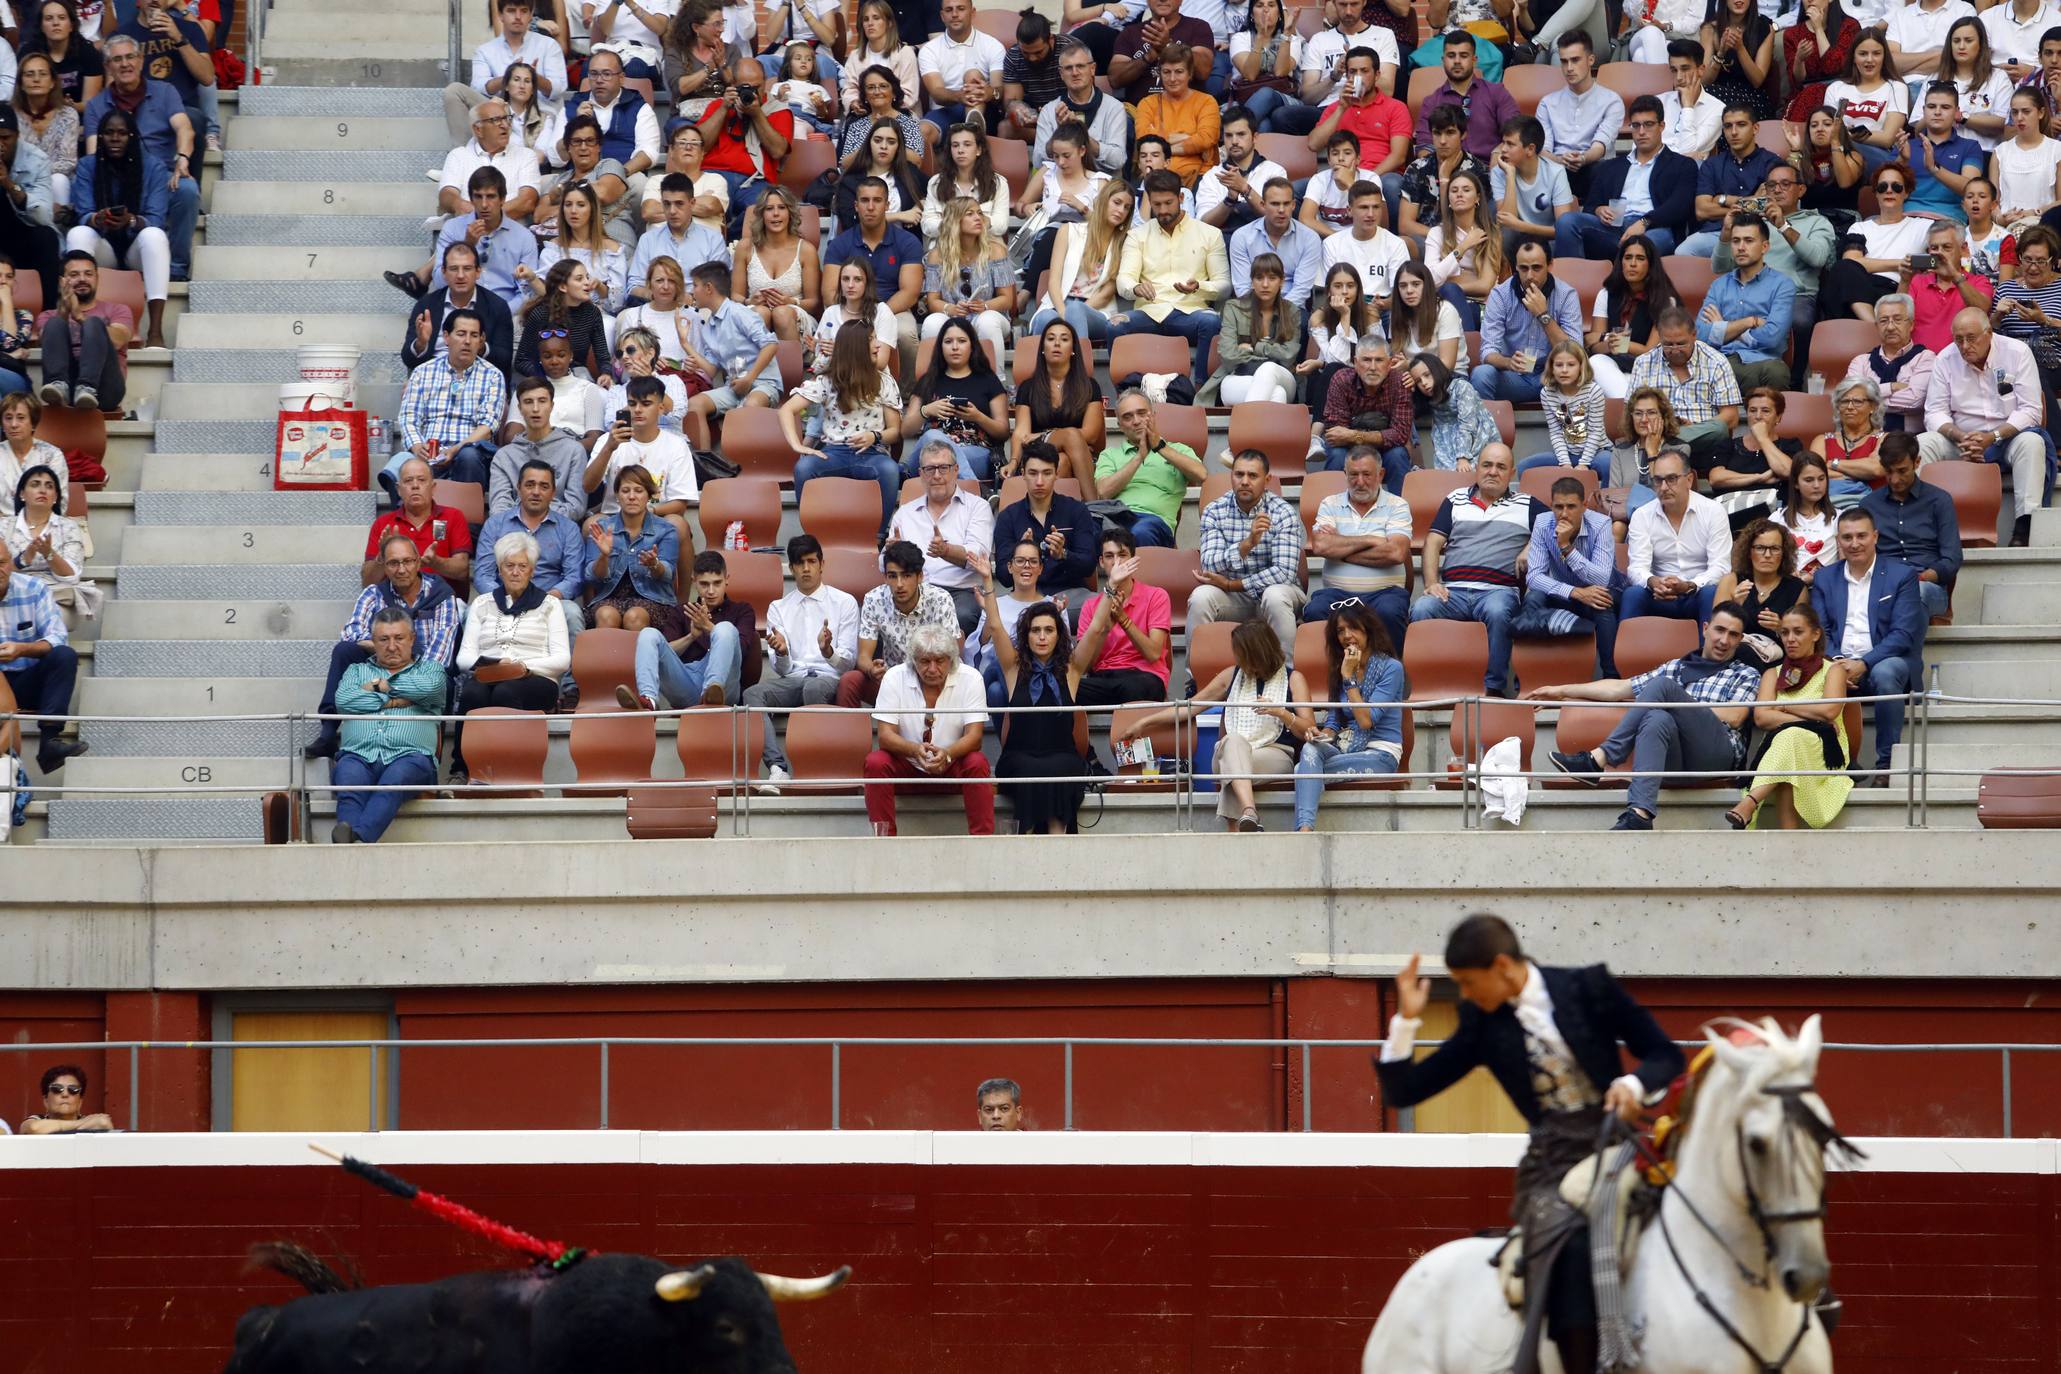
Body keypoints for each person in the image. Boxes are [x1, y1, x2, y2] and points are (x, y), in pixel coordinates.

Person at [1376, 915, 1687, 1374]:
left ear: (1502, 965)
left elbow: (1666, 1054)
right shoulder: (1481, 1024)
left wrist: (1634, 1085)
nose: (1464, 994)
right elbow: (1405, 1091)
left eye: (1467, 982)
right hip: (1552, 1165)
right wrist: (1406, 1020)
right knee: (1570, 1249)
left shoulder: (1587, 988)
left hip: (1620, 1145)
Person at [1542, 602, 1761, 827]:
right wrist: (1560, 690)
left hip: (1716, 756)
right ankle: (1639, 814)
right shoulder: (1676, 667)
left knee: (1663, 689)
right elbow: (1619, 689)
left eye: (1733, 635)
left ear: (1740, 639)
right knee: (1657, 718)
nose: (1724, 640)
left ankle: (1599, 759)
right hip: (1674, 760)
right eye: (1720, 630)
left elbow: (1735, 716)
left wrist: (1678, 704)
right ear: (1705, 629)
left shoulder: (1745, 673)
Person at [1122, 619, 1315, 832]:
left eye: (1243, 655)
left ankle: (1236, 832)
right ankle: (1249, 811)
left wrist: (1282, 713)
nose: (1239, 661)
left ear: (1259, 653)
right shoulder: (1232, 675)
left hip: (1274, 756)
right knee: (1232, 744)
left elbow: (1309, 731)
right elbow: (1189, 707)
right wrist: (1144, 721)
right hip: (1231, 751)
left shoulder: (1294, 679)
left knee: (1231, 769)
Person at [303, 534, 463, 761]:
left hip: (423, 675)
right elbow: (350, 633)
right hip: (378, 667)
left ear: (418, 562)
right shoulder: (373, 593)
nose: (401, 569)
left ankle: (430, 752)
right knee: (344, 651)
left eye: (407, 561)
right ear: (384, 566)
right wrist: (383, 650)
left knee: (441, 681)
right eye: (393, 563)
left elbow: (439, 656)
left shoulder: (442, 595)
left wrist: (384, 683)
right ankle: (328, 733)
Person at [1410, 446, 1539, 697]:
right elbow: (1433, 542)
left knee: (1498, 611)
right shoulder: (1455, 499)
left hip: (1498, 592)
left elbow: (1559, 525)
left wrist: (1530, 546)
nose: (1492, 472)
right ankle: (1433, 685)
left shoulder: (1527, 503)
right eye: (1487, 465)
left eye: (1501, 467)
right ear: (1477, 468)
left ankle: (1492, 688)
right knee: (1422, 608)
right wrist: (1431, 582)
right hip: (1452, 592)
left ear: (1512, 472)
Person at [1810, 506, 1925, 780]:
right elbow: (1820, 630)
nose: (1854, 543)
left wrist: (1863, 663)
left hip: (1882, 661)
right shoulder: (1824, 578)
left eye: (1861, 536)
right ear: (1838, 540)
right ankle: (1834, 766)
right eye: (1847, 537)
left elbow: (1903, 634)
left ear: (1875, 536)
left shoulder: (1901, 575)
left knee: (1887, 674)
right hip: (1837, 662)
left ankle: (1885, 764)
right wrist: (1839, 665)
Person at [1916, 306, 2047, 545]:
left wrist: (1993, 437)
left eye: (1971, 338)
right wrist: (1959, 436)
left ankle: (2024, 526)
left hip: (2006, 437)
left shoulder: (2017, 352)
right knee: (1923, 443)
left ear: (1989, 333)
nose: (1965, 346)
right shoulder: (1945, 358)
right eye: (1958, 340)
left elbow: (2031, 410)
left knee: (2032, 442)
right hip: (1961, 440)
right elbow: (1934, 412)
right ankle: (1919, 524)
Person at [450, 530, 573, 783]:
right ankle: (461, 770)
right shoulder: (482, 604)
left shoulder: (550, 605)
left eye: (522, 566)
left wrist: (520, 666)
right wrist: (496, 665)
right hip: (488, 676)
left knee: (506, 692)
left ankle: (508, 769)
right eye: (509, 566)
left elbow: (562, 660)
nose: (515, 572)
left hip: (537, 679)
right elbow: (464, 658)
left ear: (532, 570)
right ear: (499, 569)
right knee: (472, 693)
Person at [971, 580, 1090, 833]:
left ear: (1060, 635)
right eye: (1035, 630)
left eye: (1049, 630)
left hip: (1062, 755)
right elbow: (995, 626)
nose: (1042, 636)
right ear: (1026, 635)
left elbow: (1098, 630)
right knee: (1032, 769)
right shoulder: (1013, 668)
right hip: (1019, 757)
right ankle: (1028, 838)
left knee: (1061, 768)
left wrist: (1110, 590)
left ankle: (1058, 840)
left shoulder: (1071, 669)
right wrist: (988, 583)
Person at [1726, 603, 1859, 829]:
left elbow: (1829, 711)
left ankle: (1750, 802)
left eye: (1798, 632)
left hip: (1825, 748)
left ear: (1815, 634)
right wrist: (1812, 721)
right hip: (1788, 745)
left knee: (1790, 738)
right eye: (1785, 632)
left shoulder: (1833, 670)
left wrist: (1784, 708)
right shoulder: (1772, 673)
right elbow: (1762, 718)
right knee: (1791, 740)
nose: (1790, 639)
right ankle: (1789, 832)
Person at [744, 534, 859, 791]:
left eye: (811, 561)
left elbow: (848, 663)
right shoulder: (778, 607)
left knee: (814, 687)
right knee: (752, 694)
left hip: (828, 678)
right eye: (799, 563)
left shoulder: (844, 602)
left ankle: (814, 765)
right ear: (792, 567)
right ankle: (777, 768)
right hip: (793, 680)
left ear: (822, 564)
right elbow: (781, 669)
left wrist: (828, 651)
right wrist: (783, 653)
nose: (805, 569)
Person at [81, 34, 197, 284]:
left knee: (187, 189)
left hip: (161, 175)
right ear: (108, 67)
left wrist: (183, 158)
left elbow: (185, 128)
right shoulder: (96, 105)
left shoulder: (165, 92)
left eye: (130, 56)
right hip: (115, 177)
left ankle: (176, 266)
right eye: (117, 59)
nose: (125, 64)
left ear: (141, 60)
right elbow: (93, 152)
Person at [329, 607, 448, 845]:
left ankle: (358, 838)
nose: (392, 646)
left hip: (412, 757)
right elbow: (344, 701)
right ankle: (348, 839)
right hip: (359, 754)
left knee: (395, 780)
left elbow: (428, 689)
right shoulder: (356, 670)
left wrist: (378, 687)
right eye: (384, 639)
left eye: (399, 638)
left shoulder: (431, 670)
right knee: (348, 783)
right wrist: (396, 700)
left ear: (412, 639)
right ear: (373, 641)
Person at [1289, 597, 1407, 838]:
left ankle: (1303, 831)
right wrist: (1323, 735)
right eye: (1340, 630)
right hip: (1346, 748)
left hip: (1381, 754)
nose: (1346, 635)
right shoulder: (1341, 667)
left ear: (1368, 630)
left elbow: (1366, 721)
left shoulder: (1391, 668)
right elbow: (1335, 721)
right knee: (1310, 751)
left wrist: (1349, 677)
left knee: (1304, 768)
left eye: (1353, 628)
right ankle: (1305, 830)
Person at [863, 622, 994, 836]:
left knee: (977, 763)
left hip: (951, 767)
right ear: (913, 661)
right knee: (876, 762)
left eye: (939, 661)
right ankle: (884, 841)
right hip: (907, 767)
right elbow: (885, 737)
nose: (932, 669)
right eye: (925, 661)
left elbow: (975, 737)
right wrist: (915, 750)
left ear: (951, 660)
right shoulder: (895, 676)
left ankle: (983, 841)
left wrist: (948, 754)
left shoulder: (971, 678)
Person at [783, 318, 902, 543]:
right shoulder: (828, 381)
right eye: (871, 339)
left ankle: (878, 537)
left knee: (888, 470)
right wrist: (797, 446)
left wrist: (874, 436)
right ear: (856, 347)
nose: (878, 344)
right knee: (803, 469)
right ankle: (813, 538)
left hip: (871, 452)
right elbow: (787, 410)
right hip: (834, 452)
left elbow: (895, 431)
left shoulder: (884, 381)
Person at [1110, 170, 1230, 383]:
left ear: (1181, 198)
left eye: (1168, 203)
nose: (1163, 210)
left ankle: (1201, 391)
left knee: (1211, 322)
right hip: (1150, 311)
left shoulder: (1210, 234)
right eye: (1157, 204)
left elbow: (1224, 287)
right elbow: (1124, 280)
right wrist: (1136, 288)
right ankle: (1126, 392)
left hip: (1191, 313)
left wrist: (1198, 287)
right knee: (1115, 325)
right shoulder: (1138, 235)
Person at [380, 308, 504, 503]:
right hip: (427, 452)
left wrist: (455, 449)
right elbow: (408, 417)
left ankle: (467, 528)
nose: (467, 341)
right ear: (446, 337)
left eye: (474, 335)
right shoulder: (423, 372)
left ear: (481, 341)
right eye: (461, 334)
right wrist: (417, 446)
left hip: (467, 452)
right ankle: (410, 525)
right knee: (398, 467)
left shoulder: (493, 375)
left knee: (469, 456)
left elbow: (488, 427)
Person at [1192, 448, 1308, 657]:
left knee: (1274, 596)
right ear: (1232, 476)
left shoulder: (1282, 512)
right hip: (1234, 599)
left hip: (1277, 594)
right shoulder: (1214, 510)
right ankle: (1196, 680)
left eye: (1252, 475)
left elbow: (1284, 573)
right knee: (1201, 597)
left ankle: (1286, 675)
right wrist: (1247, 544)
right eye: (1239, 474)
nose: (1244, 481)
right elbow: (1209, 565)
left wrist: (1232, 584)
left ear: (1267, 479)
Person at [475, 454, 585, 672]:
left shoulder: (568, 529)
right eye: (530, 485)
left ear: (553, 493)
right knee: (472, 612)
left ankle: (573, 687)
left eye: (544, 486)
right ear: (518, 488)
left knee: (572, 612)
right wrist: (503, 597)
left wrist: (548, 599)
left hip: (549, 599)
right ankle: (479, 680)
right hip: (503, 597)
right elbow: (483, 575)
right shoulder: (496, 525)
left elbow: (574, 577)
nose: (536, 491)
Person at [1554, 95, 1695, 260]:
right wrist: (1600, 210)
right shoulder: (1611, 167)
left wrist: (1644, 222)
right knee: (1567, 221)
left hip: (1656, 229)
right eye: (1636, 125)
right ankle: (1573, 283)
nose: (1641, 132)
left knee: (1643, 245)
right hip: (1613, 227)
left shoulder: (1681, 165)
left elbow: (1680, 206)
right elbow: (1591, 206)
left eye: (1648, 124)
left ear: (1661, 126)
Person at [616, 548, 756, 710]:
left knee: (725, 629)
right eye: (704, 584)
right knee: (648, 634)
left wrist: (709, 627)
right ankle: (649, 701)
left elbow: (742, 648)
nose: (711, 591)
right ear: (694, 580)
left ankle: (711, 693)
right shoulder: (680, 611)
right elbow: (664, 654)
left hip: (725, 687)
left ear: (727, 580)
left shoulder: (743, 610)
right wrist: (691, 636)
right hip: (685, 682)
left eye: (717, 583)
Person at [1304, 445, 1412, 650]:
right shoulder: (1330, 503)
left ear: (1380, 474)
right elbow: (1320, 545)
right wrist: (1372, 539)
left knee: (1391, 611)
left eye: (1367, 474)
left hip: (1384, 594)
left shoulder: (1397, 505)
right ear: (1345, 474)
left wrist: (1342, 550)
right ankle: (1332, 676)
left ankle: (1389, 674)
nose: (1360, 482)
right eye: (1353, 474)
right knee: (1315, 611)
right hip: (1338, 594)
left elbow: (1396, 552)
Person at [820, 177, 924, 379]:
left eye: (877, 200)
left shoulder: (908, 242)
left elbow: (910, 293)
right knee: (841, 332)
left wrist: (878, 315)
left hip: (894, 309)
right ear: (856, 206)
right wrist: (856, 314)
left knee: (906, 335)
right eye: (865, 201)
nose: (870, 206)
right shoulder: (839, 244)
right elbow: (830, 294)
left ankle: (906, 396)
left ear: (887, 205)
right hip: (848, 307)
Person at [1520, 474, 1621, 677]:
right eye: (1558, 507)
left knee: (1603, 600)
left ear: (1584, 506)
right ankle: (1528, 675)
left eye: (1571, 507)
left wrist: (1566, 547)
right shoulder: (1542, 523)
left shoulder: (1601, 524)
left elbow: (1601, 578)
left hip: (1599, 591)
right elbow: (1534, 577)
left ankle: (1610, 675)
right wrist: (1574, 592)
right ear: (1551, 506)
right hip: (1565, 593)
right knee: (1533, 598)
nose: (1564, 514)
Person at [889, 438, 993, 635]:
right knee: (880, 608)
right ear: (921, 474)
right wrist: (890, 554)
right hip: (914, 589)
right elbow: (883, 565)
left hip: (959, 591)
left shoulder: (977, 507)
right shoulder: (905, 513)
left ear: (956, 470)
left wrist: (946, 551)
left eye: (943, 468)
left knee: (962, 614)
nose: (936, 475)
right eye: (930, 469)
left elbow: (978, 557)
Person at [1861, 434, 1963, 622]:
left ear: (1917, 462)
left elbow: (1952, 558)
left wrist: (1922, 578)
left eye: (1902, 471)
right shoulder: (1869, 505)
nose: (1894, 479)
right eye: (1888, 472)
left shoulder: (1939, 501)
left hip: (1927, 585)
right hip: (1884, 584)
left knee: (1913, 594)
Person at [0, 544, 81, 776]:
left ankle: (49, 743)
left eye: (2, 563)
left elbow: (57, 637)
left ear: (10, 563)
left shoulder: (33, 588)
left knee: (64, 655)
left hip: (27, 679)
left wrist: (22, 649)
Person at [1623, 450, 1730, 625]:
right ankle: (1622, 652)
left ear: (1689, 480)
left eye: (1671, 479)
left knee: (1711, 593)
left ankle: (1706, 653)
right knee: (1633, 594)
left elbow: (1721, 567)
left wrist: (1689, 585)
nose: (1664, 487)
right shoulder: (1642, 515)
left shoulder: (1713, 512)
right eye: (1658, 480)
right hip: (1658, 595)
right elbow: (1636, 568)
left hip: (1697, 594)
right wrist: (1653, 581)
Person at [1695, 212, 1797, 394]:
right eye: (1736, 241)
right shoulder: (1719, 285)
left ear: (1765, 247)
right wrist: (1749, 322)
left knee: (1776, 372)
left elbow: (1772, 337)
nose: (1741, 247)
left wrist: (1722, 327)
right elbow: (1700, 334)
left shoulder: (1783, 285)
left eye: (1749, 241)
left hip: (1761, 363)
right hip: (1720, 361)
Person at [1626, 306, 1742, 466]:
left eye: (1681, 344)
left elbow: (1731, 417)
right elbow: (1632, 411)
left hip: (1701, 442)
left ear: (1694, 335)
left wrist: (1696, 428)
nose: (1675, 350)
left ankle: (1665, 446)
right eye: (1668, 344)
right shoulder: (1644, 363)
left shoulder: (1716, 361)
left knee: (1719, 428)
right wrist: (1669, 425)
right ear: (1659, 337)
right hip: (1656, 431)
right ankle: (1666, 444)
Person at [1089, 387, 1202, 551]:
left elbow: (1201, 474)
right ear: (1120, 425)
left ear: (1153, 416)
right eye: (1128, 417)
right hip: (1114, 518)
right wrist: (1139, 457)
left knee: (1140, 532)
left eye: (1142, 413)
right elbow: (1104, 491)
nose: (1136, 421)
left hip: (1153, 522)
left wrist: (1159, 447)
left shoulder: (1178, 450)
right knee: (1083, 528)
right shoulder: (1110, 455)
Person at [1472, 239, 1582, 405]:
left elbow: (1575, 352)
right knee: (1481, 375)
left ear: (1550, 265)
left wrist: (1543, 315)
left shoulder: (1566, 295)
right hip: (1515, 377)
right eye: (1523, 268)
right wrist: (1508, 363)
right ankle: (1489, 430)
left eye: (1536, 268)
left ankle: (1571, 431)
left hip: (1555, 377)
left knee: (1578, 376)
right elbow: (1487, 351)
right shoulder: (1500, 295)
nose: (1530, 275)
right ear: (1516, 267)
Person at [1819, 162, 1932, 323]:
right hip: (1858, 286)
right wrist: (1901, 263)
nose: (1889, 190)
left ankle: (1875, 325)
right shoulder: (1860, 227)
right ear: (1876, 193)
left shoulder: (1923, 226)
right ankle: (1875, 325)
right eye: (1882, 187)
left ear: (1906, 193)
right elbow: (1852, 262)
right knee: (1843, 267)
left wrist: (1919, 265)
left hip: (1895, 290)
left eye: (1897, 187)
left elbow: (1941, 256)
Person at [1306, 46, 1409, 218]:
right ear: (1346, 76)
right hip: (1339, 175)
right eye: (1353, 72)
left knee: (1391, 184)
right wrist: (1341, 109)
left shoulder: (1395, 107)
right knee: (1296, 190)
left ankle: (1393, 241)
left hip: (1381, 174)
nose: (1358, 77)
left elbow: (1398, 156)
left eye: (1364, 71)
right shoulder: (1336, 107)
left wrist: (1367, 180)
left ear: (1377, 75)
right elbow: (1313, 144)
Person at [1074, 529, 1173, 706]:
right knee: (1063, 688)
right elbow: (1085, 666)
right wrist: (1104, 630)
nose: (1117, 562)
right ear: (1101, 562)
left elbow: (1153, 654)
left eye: (1123, 555)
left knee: (1136, 688)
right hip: (1102, 678)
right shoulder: (1090, 606)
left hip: (1143, 675)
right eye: (1109, 556)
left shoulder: (1156, 596)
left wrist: (1123, 619)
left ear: (1133, 560)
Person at [584, 462, 683, 637]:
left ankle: (636, 665)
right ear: (617, 495)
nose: (631, 496)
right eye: (625, 490)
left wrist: (654, 564)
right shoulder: (602, 528)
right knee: (606, 615)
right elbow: (592, 577)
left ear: (649, 495)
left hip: (653, 598)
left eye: (638, 491)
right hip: (609, 597)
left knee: (634, 617)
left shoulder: (665, 530)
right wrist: (604, 556)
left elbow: (668, 574)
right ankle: (608, 665)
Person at [694, 58, 795, 228]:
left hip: (755, 180)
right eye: (745, 87)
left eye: (757, 87)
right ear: (733, 84)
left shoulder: (777, 109)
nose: (752, 92)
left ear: (765, 82)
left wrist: (757, 114)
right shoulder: (718, 105)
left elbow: (778, 151)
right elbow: (699, 144)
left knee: (764, 212)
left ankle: (732, 242)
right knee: (700, 209)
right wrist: (724, 109)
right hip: (715, 175)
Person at [1030, 179, 1132, 346]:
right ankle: (1042, 372)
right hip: (1059, 304)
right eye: (1117, 203)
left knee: (1076, 310)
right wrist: (1064, 313)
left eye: (1127, 207)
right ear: (1104, 201)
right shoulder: (1068, 231)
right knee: (1045, 319)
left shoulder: (1125, 242)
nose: (1121, 210)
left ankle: (1080, 371)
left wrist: (1072, 314)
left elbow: (1107, 293)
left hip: (1097, 311)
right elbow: (1054, 281)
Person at [992, 443, 1097, 599]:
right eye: (1033, 473)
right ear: (1023, 475)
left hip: (1070, 594)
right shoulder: (1008, 517)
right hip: (1026, 596)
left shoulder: (1077, 510)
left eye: (1047, 473)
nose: (1039, 481)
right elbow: (1003, 577)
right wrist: (1019, 553)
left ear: (1056, 474)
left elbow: (1088, 565)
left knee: (1095, 605)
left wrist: (1063, 554)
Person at [1679, 102, 1783, 259]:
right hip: (1718, 232)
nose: (1734, 132)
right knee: (1683, 252)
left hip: (1759, 230)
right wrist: (1748, 204)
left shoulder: (1771, 163)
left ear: (1755, 128)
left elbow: (1769, 204)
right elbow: (1702, 210)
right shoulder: (1712, 164)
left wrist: (1722, 199)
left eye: (1741, 125)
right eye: (1728, 126)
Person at [1202, 250, 1304, 407]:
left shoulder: (1292, 312)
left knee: (1269, 369)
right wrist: (1271, 353)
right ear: (1251, 281)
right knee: (1277, 393)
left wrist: (1254, 347)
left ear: (1282, 281)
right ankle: (1256, 429)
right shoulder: (1233, 308)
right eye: (1259, 278)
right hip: (1237, 376)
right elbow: (1228, 355)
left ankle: (1243, 428)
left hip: (1282, 377)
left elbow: (1288, 356)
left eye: (1272, 278)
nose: (1265, 284)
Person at [402, 242, 516, 382]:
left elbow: (505, 359)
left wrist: (479, 347)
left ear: (478, 272)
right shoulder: (427, 305)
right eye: (454, 269)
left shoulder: (497, 306)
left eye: (467, 268)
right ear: (444, 272)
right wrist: (421, 343)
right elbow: (408, 358)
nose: (460, 275)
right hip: (433, 379)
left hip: (480, 379)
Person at [1586, 233, 1681, 401]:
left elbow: (1650, 352)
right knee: (1596, 362)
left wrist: (1621, 344)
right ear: (1621, 262)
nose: (1633, 264)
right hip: (1612, 368)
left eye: (1640, 258)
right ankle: (1631, 402)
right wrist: (1607, 342)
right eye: (1628, 257)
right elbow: (1594, 345)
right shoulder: (1605, 294)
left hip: (1648, 369)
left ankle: (1627, 404)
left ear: (1650, 264)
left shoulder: (1666, 301)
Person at [917, 198, 1015, 360]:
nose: (978, 218)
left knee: (987, 321)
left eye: (979, 213)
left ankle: (996, 380)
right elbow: (933, 301)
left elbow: (1007, 299)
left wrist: (984, 306)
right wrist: (951, 308)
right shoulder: (937, 255)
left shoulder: (996, 251)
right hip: (953, 318)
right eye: (970, 214)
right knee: (933, 321)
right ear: (955, 221)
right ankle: (932, 381)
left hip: (990, 316)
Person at [33, 248, 130, 411]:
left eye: (88, 274)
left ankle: (87, 387)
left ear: (97, 278)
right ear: (62, 281)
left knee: (93, 323)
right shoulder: (47, 316)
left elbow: (119, 341)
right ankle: (58, 384)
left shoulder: (117, 310)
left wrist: (79, 316)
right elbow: (44, 342)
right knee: (55, 323)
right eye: (74, 275)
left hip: (104, 390)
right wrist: (64, 312)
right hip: (64, 389)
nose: (82, 279)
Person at [1010, 318, 1106, 483]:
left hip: (1081, 458)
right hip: (1038, 455)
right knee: (1063, 452)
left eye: (1064, 339)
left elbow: (1091, 435)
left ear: (1073, 349)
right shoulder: (1028, 387)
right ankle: (1093, 505)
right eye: (1051, 338)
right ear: (1042, 348)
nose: (1057, 343)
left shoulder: (1090, 386)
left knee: (1064, 454)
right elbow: (1022, 433)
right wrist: (1013, 462)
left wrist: (1042, 435)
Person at [1538, 30, 1624, 205]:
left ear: (1591, 60)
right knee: (1539, 166)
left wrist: (1582, 158)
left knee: (1607, 168)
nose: (1569, 68)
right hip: (1557, 168)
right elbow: (1544, 150)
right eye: (1564, 61)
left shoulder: (1612, 101)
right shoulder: (1547, 103)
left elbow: (1600, 146)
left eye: (1575, 60)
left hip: (1594, 167)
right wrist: (1561, 160)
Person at [1711, 514, 1807, 671]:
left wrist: (1781, 628)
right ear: (1749, 552)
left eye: (1775, 548)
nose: (1767, 555)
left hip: (1775, 662)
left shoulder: (1796, 588)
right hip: (1731, 658)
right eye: (1760, 548)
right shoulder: (1731, 581)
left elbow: (1803, 640)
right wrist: (1735, 606)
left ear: (1784, 553)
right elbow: (1716, 633)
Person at [1319, 334, 1413, 491]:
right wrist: (1378, 436)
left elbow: (1400, 434)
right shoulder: (1341, 380)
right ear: (1355, 363)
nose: (1373, 367)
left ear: (1390, 364)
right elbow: (1336, 433)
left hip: (1385, 451)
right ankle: (1333, 512)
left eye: (1379, 360)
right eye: (1367, 360)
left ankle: (1401, 513)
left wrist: (1354, 435)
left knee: (1398, 455)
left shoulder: (1400, 382)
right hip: (1347, 449)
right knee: (1336, 455)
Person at [363, 456, 473, 590]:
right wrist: (382, 555)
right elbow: (367, 583)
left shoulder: (453, 517)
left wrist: (436, 562)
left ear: (433, 488)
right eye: (408, 481)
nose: (415, 486)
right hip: (395, 603)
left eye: (421, 480)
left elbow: (462, 570)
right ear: (398, 489)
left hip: (443, 601)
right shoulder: (383, 524)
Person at [1415, 31, 1516, 162]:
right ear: (1443, 60)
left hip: (1491, 171)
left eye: (1463, 56)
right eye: (1451, 56)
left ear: (1474, 60)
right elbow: (1425, 146)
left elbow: (1515, 131)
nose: (1457, 61)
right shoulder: (1432, 102)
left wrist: (1500, 150)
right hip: (1448, 172)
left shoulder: (1496, 92)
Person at [562, 48, 660, 182]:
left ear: (621, 78)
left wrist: (617, 175)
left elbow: (649, 153)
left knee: (640, 183)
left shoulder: (639, 107)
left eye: (606, 74)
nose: (599, 80)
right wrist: (574, 126)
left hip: (625, 177)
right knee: (545, 185)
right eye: (594, 74)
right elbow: (556, 157)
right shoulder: (573, 106)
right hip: (579, 177)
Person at [1033, 36, 1127, 176]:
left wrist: (1080, 133)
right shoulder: (1049, 110)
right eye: (1069, 68)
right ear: (1061, 74)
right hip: (1062, 186)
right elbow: (1038, 162)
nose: (1075, 73)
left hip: (1103, 189)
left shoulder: (1114, 108)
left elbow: (1118, 160)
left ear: (1092, 69)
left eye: (1080, 66)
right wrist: (1060, 132)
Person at [1424, 167, 1502, 330]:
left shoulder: (1490, 234)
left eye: (1466, 190)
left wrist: (1448, 284)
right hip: (1443, 307)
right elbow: (1429, 280)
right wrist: (1464, 246)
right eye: (1454, 190)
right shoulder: (1436, 233)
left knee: (1450, 289)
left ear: (1477, 198)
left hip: (1483, 309)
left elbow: (1485, 286)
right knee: (1449, 295)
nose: (1459, 194)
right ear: (1449, 200)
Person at [1988, 221, 2061, 393]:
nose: (2033, 267)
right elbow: (1988, 333)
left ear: (2053, 261)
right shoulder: (2006, 289)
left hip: (2050, 362)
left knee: (2032, 376)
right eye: (2027, 259)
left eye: (2041, 261)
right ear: (2019, 258)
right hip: (2009, 360)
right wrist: (1997, 317)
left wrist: (2044, 320)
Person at [1489, 116, 1574, 263]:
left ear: (1530, 149)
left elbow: (1563, 232)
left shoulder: (1556, 172)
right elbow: (1507, 222)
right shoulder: (1499, 172)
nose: (1503, 149)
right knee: (1505, 235)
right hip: (1517, 239)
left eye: (1510, 144)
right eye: (1503, 142)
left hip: (1549, 241)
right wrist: (1510, 174)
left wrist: (1520, 225)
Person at [1397, 109, 1486, 246]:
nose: (1442, 141)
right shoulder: (1418, 168)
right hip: (1426, 239)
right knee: (1403, 243)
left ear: (1463, 135)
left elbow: (1480, 221)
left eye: (1450, 132)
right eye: (1437, 133)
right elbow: (1405, 225)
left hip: (1465, 242)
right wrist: (1438, 238)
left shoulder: (1477, 170)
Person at [1518, 341, 1607, 478]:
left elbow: (1596, 432)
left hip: (1597, 451)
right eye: (1559, 365)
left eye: (1571, 365)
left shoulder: (1594, 391)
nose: (1564, 370)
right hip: (1569, 454)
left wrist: (1584, 464)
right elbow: (1556, 432)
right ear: (1551, 368)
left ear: (1581, 367)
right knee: (1524, 467)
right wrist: (1565, 463)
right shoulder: (1547, 393)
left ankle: (1606, 498)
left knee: (1607, 463)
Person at [1320, 178, 1411, 310]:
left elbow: (1401, 293)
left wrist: (1383, 304)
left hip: (1382, 309)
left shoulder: (1396, 244)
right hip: (1344, 307)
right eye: (1364, 207)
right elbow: (1330, 292)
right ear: (1349, 210)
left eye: (1376, 207)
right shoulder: (1332, 244)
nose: (1370, 214)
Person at [513, 260, 608, 383]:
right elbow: (522, 360)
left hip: (576, 377)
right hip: (542, 378)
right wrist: (546, 379)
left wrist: (606, 373)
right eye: (579, 279)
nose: (587, 282)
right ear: (563, 287)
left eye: (587, 277)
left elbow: (602, 355)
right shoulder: (541, 314)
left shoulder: (592, 313)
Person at [1908, 217, 1992, 352]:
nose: (1939, 253)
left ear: (1963, 249)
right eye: (1934, 248)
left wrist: (1955, 276)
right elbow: (1899, 319)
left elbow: (1981, 310)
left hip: (1962, 364)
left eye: (1946, 247)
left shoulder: (1979, 282)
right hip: (1918, 365)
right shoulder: (1917, 281)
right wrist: (1905, 279)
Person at [1109, 0, 1216, 105]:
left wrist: (1168, 46)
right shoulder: (1130, 33)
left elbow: (1203, 71)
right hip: (1137, 112)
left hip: (1186, 111)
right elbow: (1115, 80)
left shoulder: (1198, 27)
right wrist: (1148, 57)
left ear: (1181, 1)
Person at [1408, 351, 1501, 473]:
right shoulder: (1429, 400)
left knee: (1469, 471)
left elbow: (1467, 425)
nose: (1424, 383)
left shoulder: (1461, 387)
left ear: (1437, 370)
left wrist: (1462, 457)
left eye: (1427, 375)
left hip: (1477, 442)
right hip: (1446, 447)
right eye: (1418, 381)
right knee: (1446, 477)